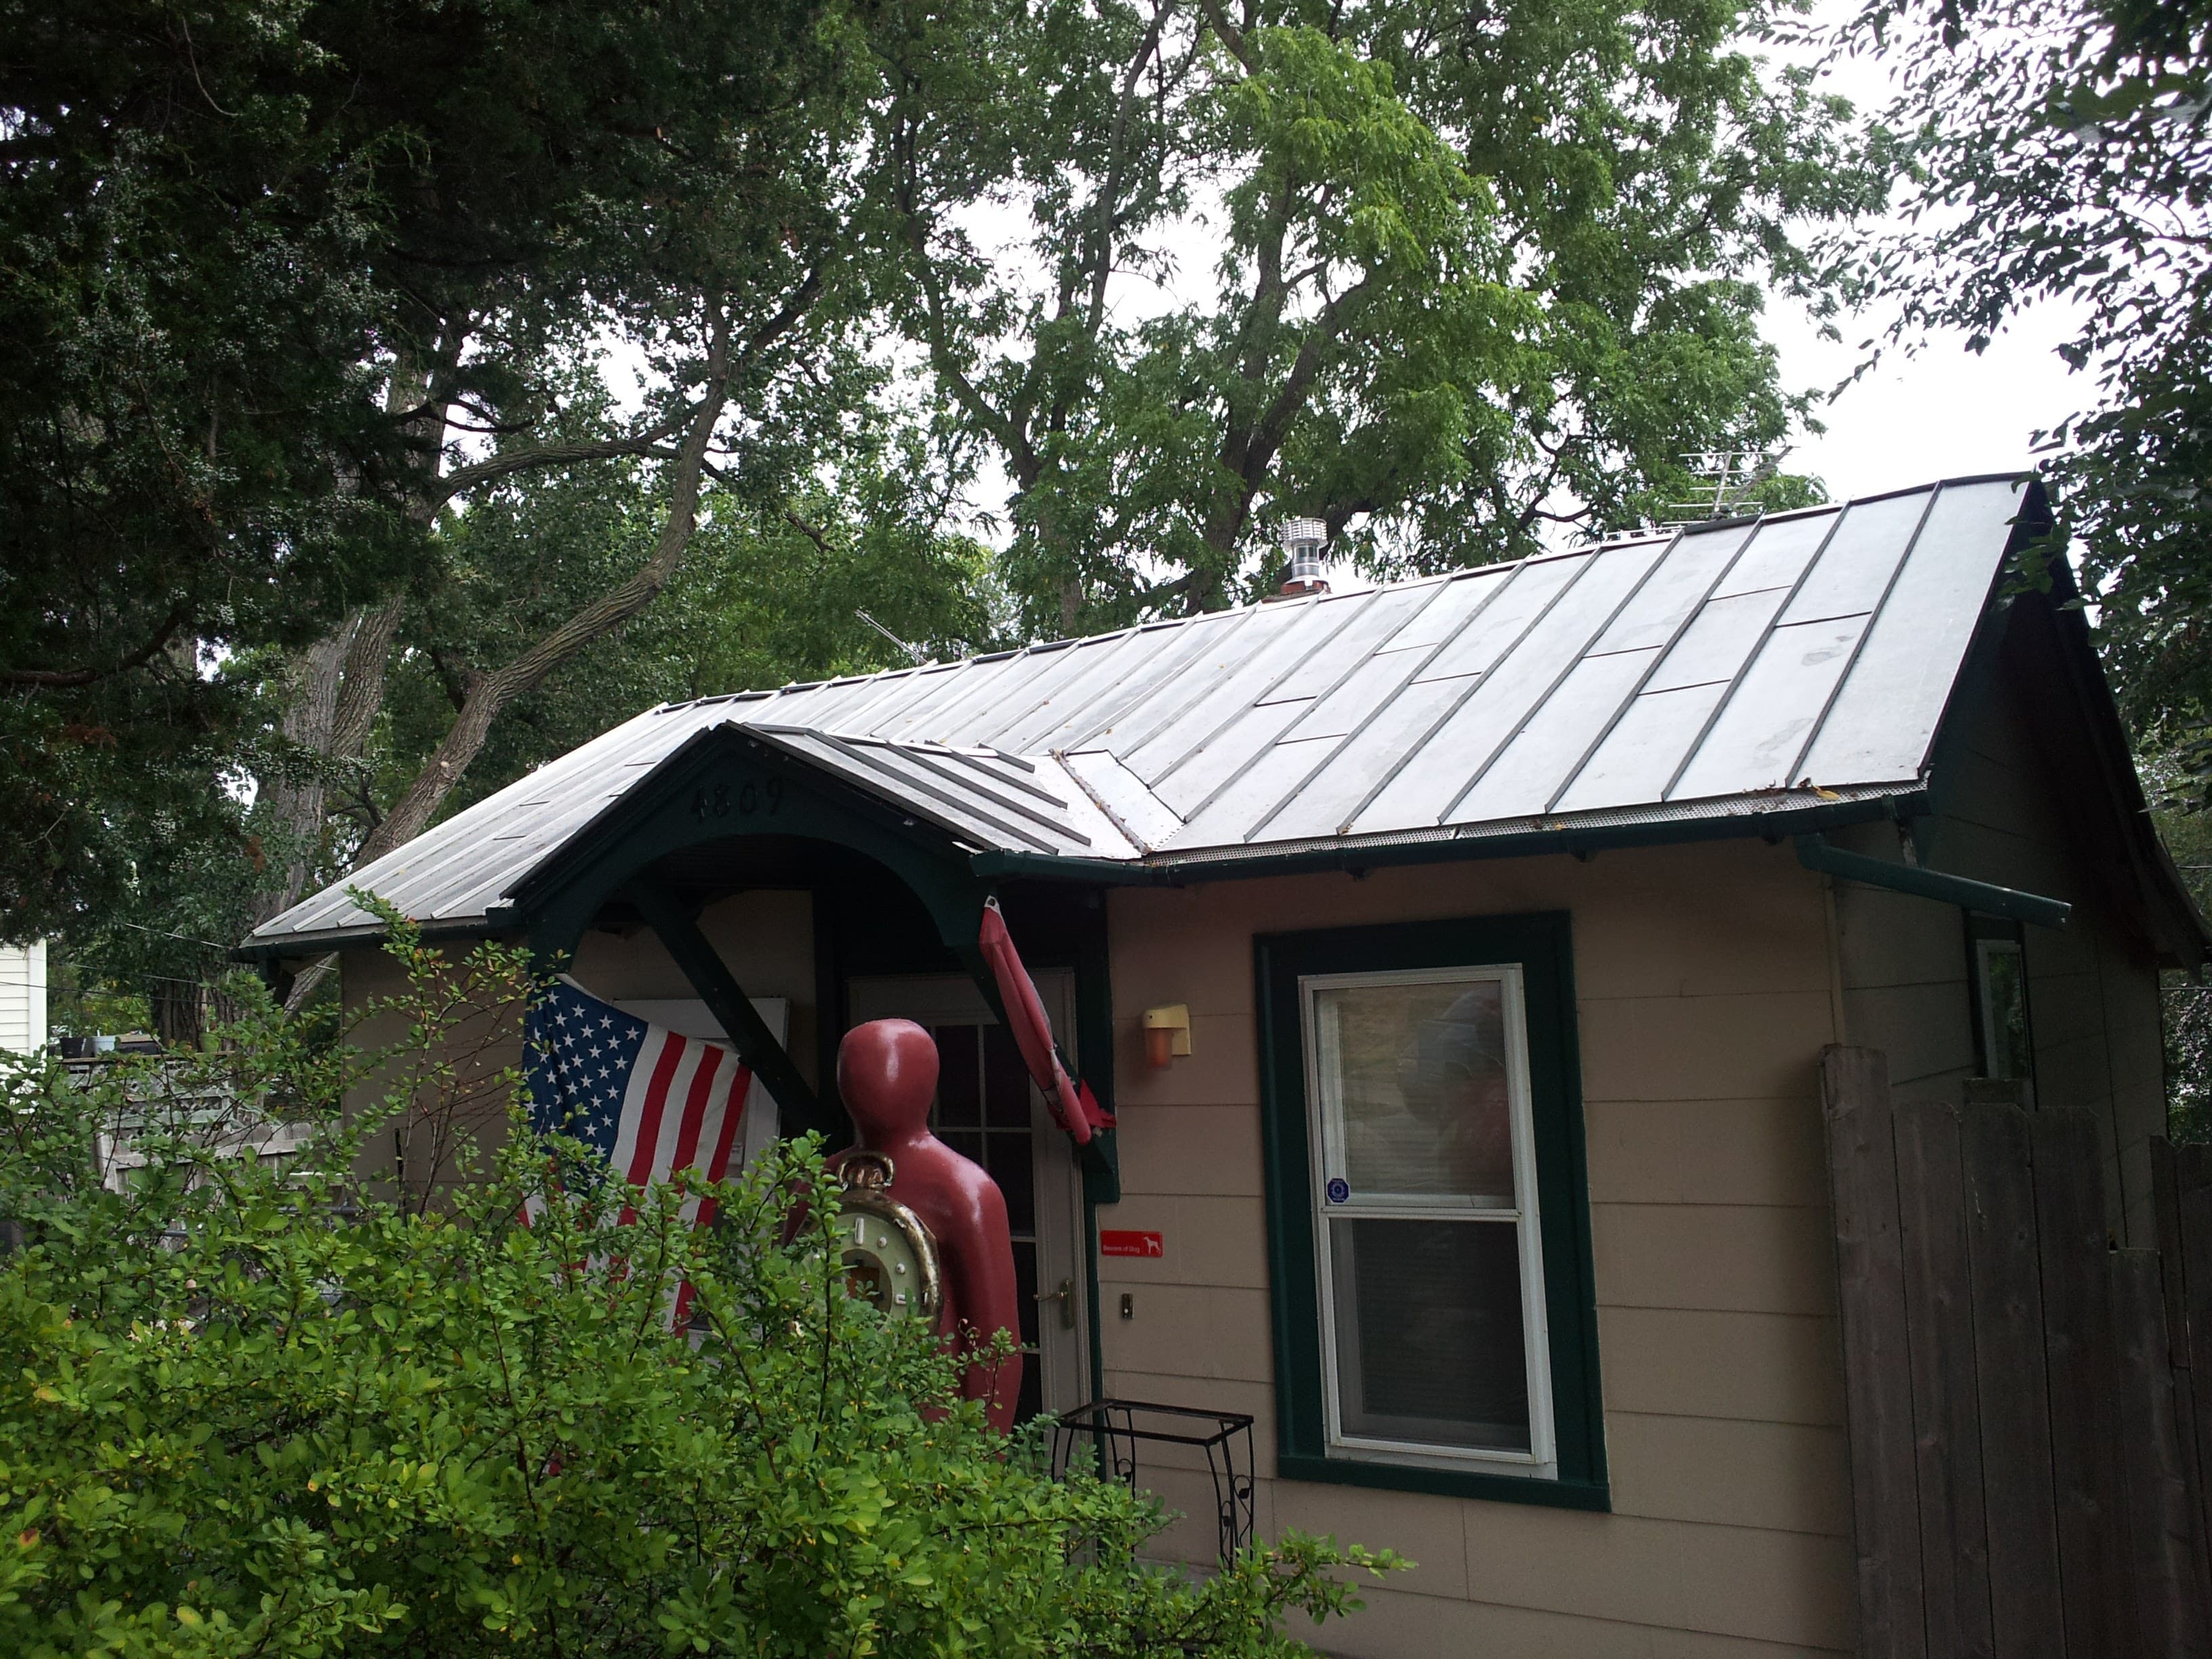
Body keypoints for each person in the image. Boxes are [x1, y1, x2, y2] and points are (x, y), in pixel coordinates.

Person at [829, 1018, 1022, 1431]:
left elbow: (994, 1341)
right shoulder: (820, 1179)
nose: (871, 1080)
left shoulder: (962, 1189)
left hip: (928, 1429)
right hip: (827, 1410)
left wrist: (981, 1458)